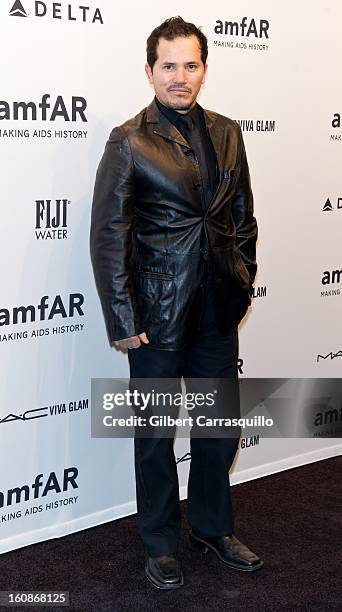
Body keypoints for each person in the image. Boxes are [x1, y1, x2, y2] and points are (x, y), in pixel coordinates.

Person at [90, 16, 263, 590]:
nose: (180, 77)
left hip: (215, 310)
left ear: (204, 70)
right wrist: (123, 318)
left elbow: (242, 216)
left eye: (191, 65)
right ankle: (160, 540)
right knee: (156, 434)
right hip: (156, 319)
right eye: (169, 65)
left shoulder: (228, 131)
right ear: (149, 70)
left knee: (219, 429)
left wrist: (243, 278)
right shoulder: (129, 139)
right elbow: (109, 234)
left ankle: (212, 527)